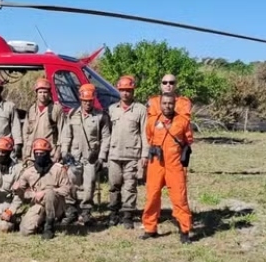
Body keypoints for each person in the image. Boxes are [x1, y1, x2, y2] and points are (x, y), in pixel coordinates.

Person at [141, 93, 194, 244]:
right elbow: (150, 137)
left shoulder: (183, 122)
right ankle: (150, 228)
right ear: (160, 104)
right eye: (164, 103)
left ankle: (184, 231)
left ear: (174, 104)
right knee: (152, 196)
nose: (167, 106)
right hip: (156, 163)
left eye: (170, 103)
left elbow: (188, 139)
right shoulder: (152, 121)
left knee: (179, 198)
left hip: (175, 164)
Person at [59, 83, 110, 225]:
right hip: (74, 156)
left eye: (90, 101)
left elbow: (106, 138)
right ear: (80, 100)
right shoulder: (72, 114)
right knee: (71, 184)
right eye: (85, 100)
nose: (87, 103)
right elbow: (66, 135)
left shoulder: (101, 116)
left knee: (89, 185)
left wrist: (101, 157)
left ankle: (86, 211)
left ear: (93, 100)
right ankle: (71, 210)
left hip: (91, 157)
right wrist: (64, 152)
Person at [105, 75, 148, 228]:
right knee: (114, 185)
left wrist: (144, 154)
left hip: (132, 155)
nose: (125, 93)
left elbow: (144, 133)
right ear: (118, 90)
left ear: (133, 91)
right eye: (122, 90)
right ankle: (114, 213)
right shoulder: (112, 109)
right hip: (115, 154)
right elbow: (107, 132)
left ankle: (128, 215)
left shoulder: (141, 110)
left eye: (128, 90)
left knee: (130, 186)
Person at [9, 138, 71, 239]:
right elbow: (22, 194)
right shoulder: (29, 172)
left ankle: (49, 226)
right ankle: (39, 223)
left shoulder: (58, 169)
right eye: (36, 153)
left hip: (56, 204)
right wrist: (17, 189)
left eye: (41, 153)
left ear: (47, 153)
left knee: (50, 194)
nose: (38, 156)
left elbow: (67, 189)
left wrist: (47, 192)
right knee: (25, 231)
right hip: (38, 205)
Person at [21, 78, 65, 161]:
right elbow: (26, 133)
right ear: (36, 93)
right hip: (33, 154)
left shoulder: (56, 109)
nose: (43, 95)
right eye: (40, 92)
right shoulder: (31, 110)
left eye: (45, 92)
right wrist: (25, 152)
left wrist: (58, 152)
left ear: (49, 93)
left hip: (50, 153)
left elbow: (63, 133)